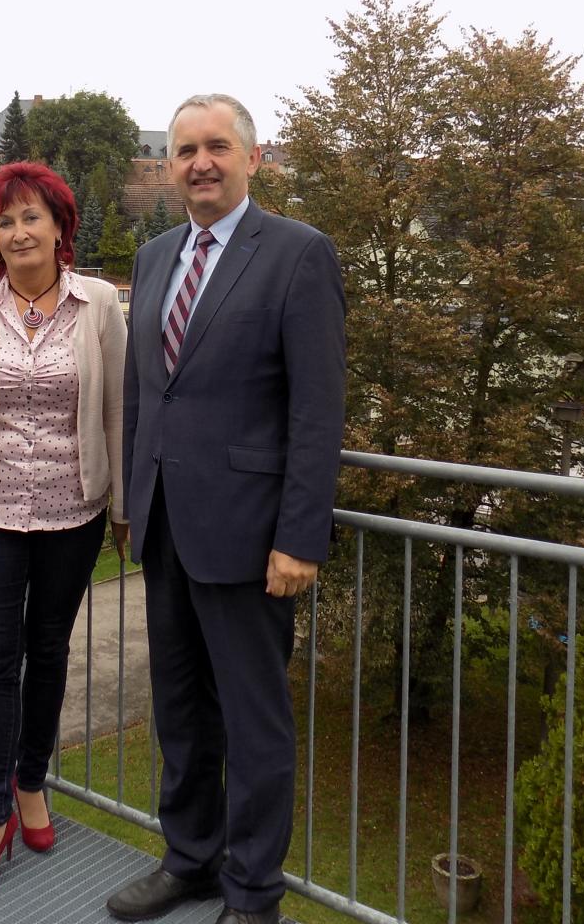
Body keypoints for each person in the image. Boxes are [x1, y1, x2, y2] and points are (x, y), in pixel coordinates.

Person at [105, 95, 346, 924]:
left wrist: (299, 539)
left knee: (253, 722)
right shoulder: (154, 257)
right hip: (166, 523)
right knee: (178, 707)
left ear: (252, 157)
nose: (200, 162)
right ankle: (191, 861)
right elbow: (145, 391)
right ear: (169, 166)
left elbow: (318, 412)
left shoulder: (298, 255)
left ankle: (252, 895)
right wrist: (134, 498)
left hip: (251, 535)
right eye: (185, 150)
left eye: (216, 147)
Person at [0, 162, 129, 895]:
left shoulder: (99, 304)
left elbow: (114, 411)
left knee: (48, 654)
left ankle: (32, 785)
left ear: (59, 226)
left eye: (31, 216)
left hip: (75, 510)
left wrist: (124, 506)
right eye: (4, 222)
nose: (18, 231)